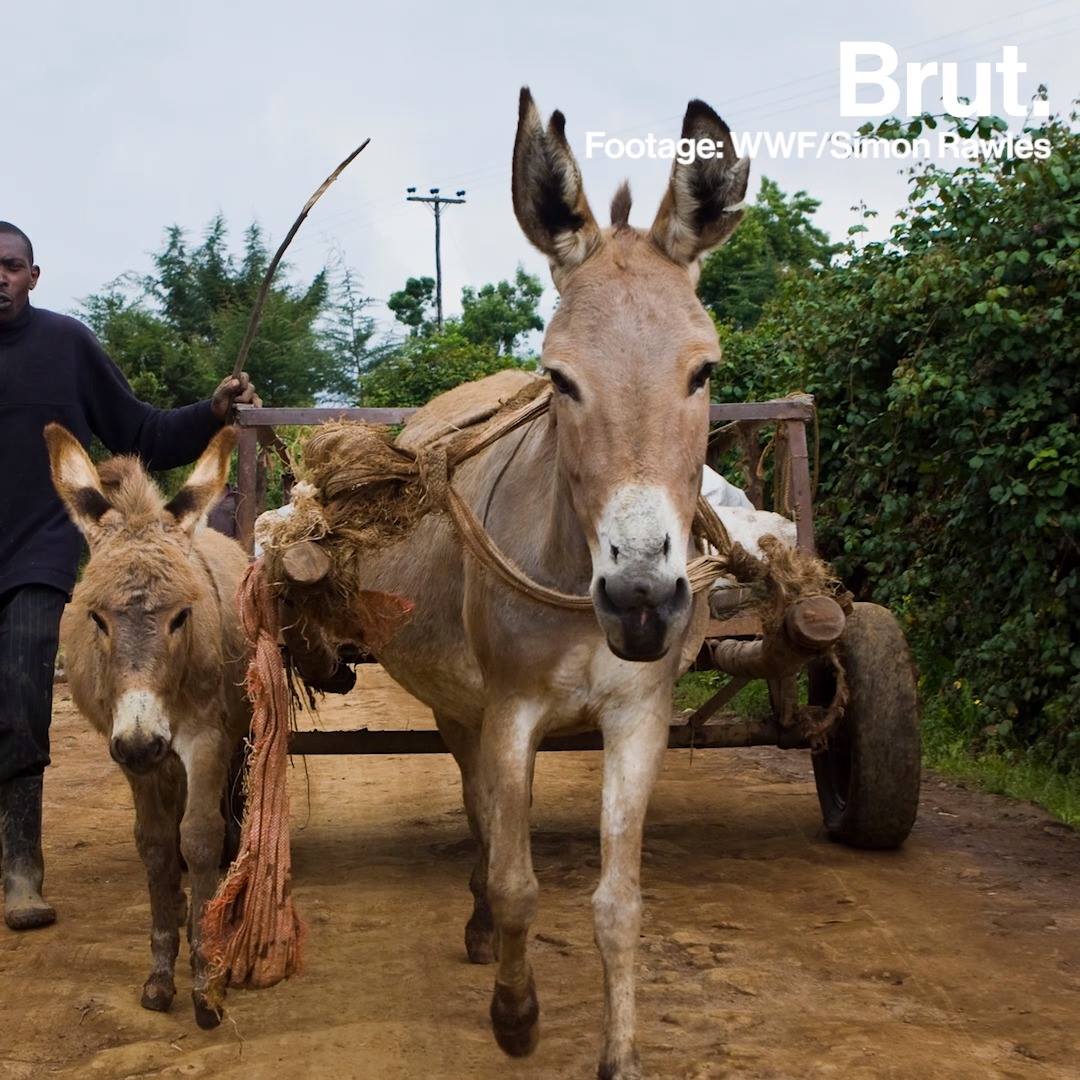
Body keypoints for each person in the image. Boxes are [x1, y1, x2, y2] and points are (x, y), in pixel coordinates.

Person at [0, 220, 259, 930]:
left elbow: (138, 431)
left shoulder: (66, 345)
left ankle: (22, 865)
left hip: (35, 553)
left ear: (32, 274)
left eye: (11, 265)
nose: (0, 276)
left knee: (21, 697)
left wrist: (209, 413)